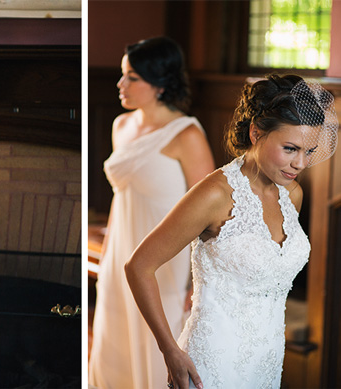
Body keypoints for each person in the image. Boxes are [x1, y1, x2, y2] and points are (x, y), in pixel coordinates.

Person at [125, 74, 337, 389]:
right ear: (256, 133)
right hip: (210, 363)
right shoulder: (214, 194)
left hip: (266, 362)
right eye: (290, 148)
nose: (300, 163)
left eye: (309, 151)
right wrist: (169, 349)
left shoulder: (292, 195)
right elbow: (138, 266)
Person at [88, 36, 215, 389]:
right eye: (121, 75)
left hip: (167, 261)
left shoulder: (187, 134)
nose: (120, 85)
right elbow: (123, 195)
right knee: (117, 337)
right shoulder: (121, 126)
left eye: (131, 77)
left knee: (161, 341)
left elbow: (209, 217)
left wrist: (199, 280)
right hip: (121, 249)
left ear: (159, 84)